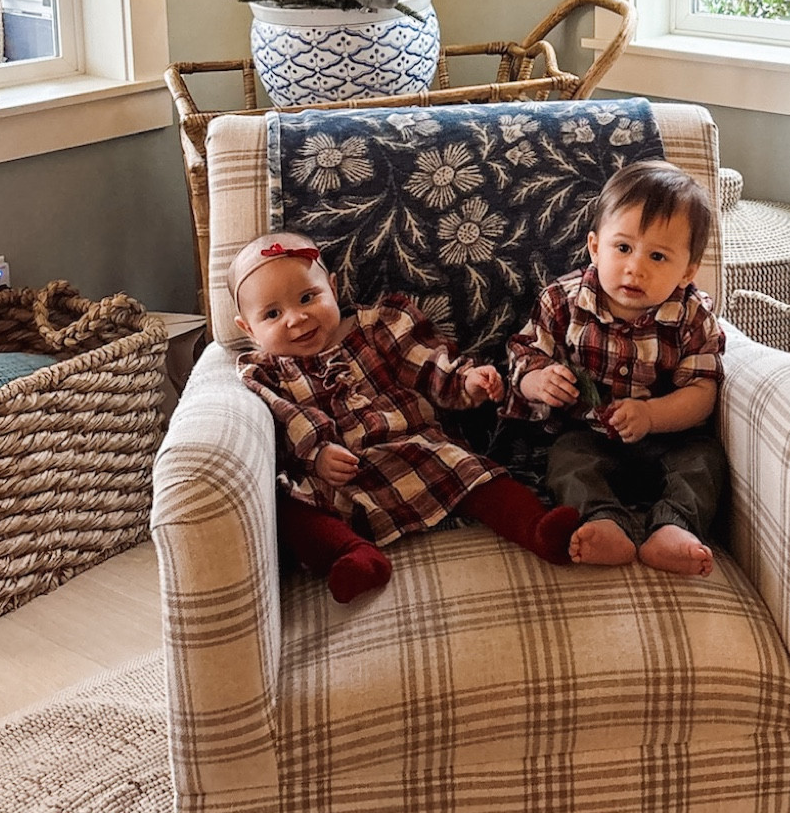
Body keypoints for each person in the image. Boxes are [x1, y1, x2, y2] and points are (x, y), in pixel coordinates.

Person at [232, 234, 577, 603]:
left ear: (332, 287)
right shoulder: (263, 374)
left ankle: (537, 528)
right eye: (272, 314)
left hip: (414, 448)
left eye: (307, 297)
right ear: (248, 328)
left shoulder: (379, 327)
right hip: (335, 475)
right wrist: (316, 454)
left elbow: (426, 365)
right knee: (289, 507)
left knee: (471, 470)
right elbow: (285, 419)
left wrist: (467, 382)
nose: (296, 318)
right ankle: (350, 554)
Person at [503, 161, 726, 576]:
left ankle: (673, 527)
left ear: (688, 271)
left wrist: (652, 416)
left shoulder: (691, 316)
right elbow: (523, 354)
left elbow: (702, 394)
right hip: (589, 437)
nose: (635, 268)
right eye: (622, 248)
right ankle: (603, 522)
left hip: (666, 441)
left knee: (705, 460)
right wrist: (539, 380)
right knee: (567, 460)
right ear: (595, 246)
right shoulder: (562, 302)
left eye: (658, 256)